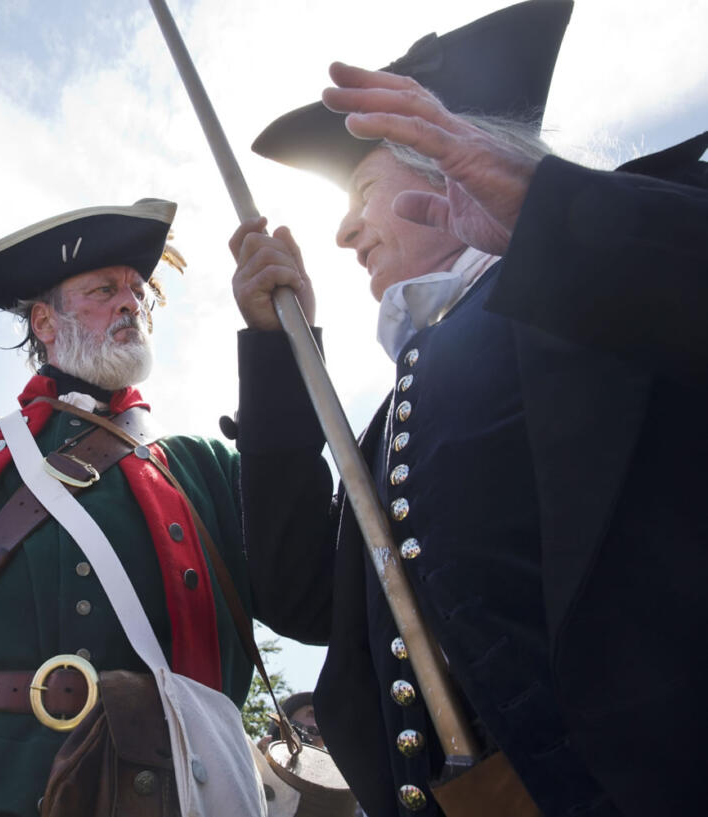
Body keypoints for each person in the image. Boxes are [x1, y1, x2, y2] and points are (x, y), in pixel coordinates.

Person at [227, 1, 708, 815]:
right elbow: (300, 595)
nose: (344, 233)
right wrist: (281, 353)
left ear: (454, 166)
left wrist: (554, 215)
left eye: (366, 189)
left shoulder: (633, 253)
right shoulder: (390, 420)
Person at [0, 198, 330, 817]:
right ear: (45, 322)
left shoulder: (205, 469)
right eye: (104, 289)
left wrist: (279, 348)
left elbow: (311, 604)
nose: (130, 303)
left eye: (138, 292)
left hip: (162, 793)